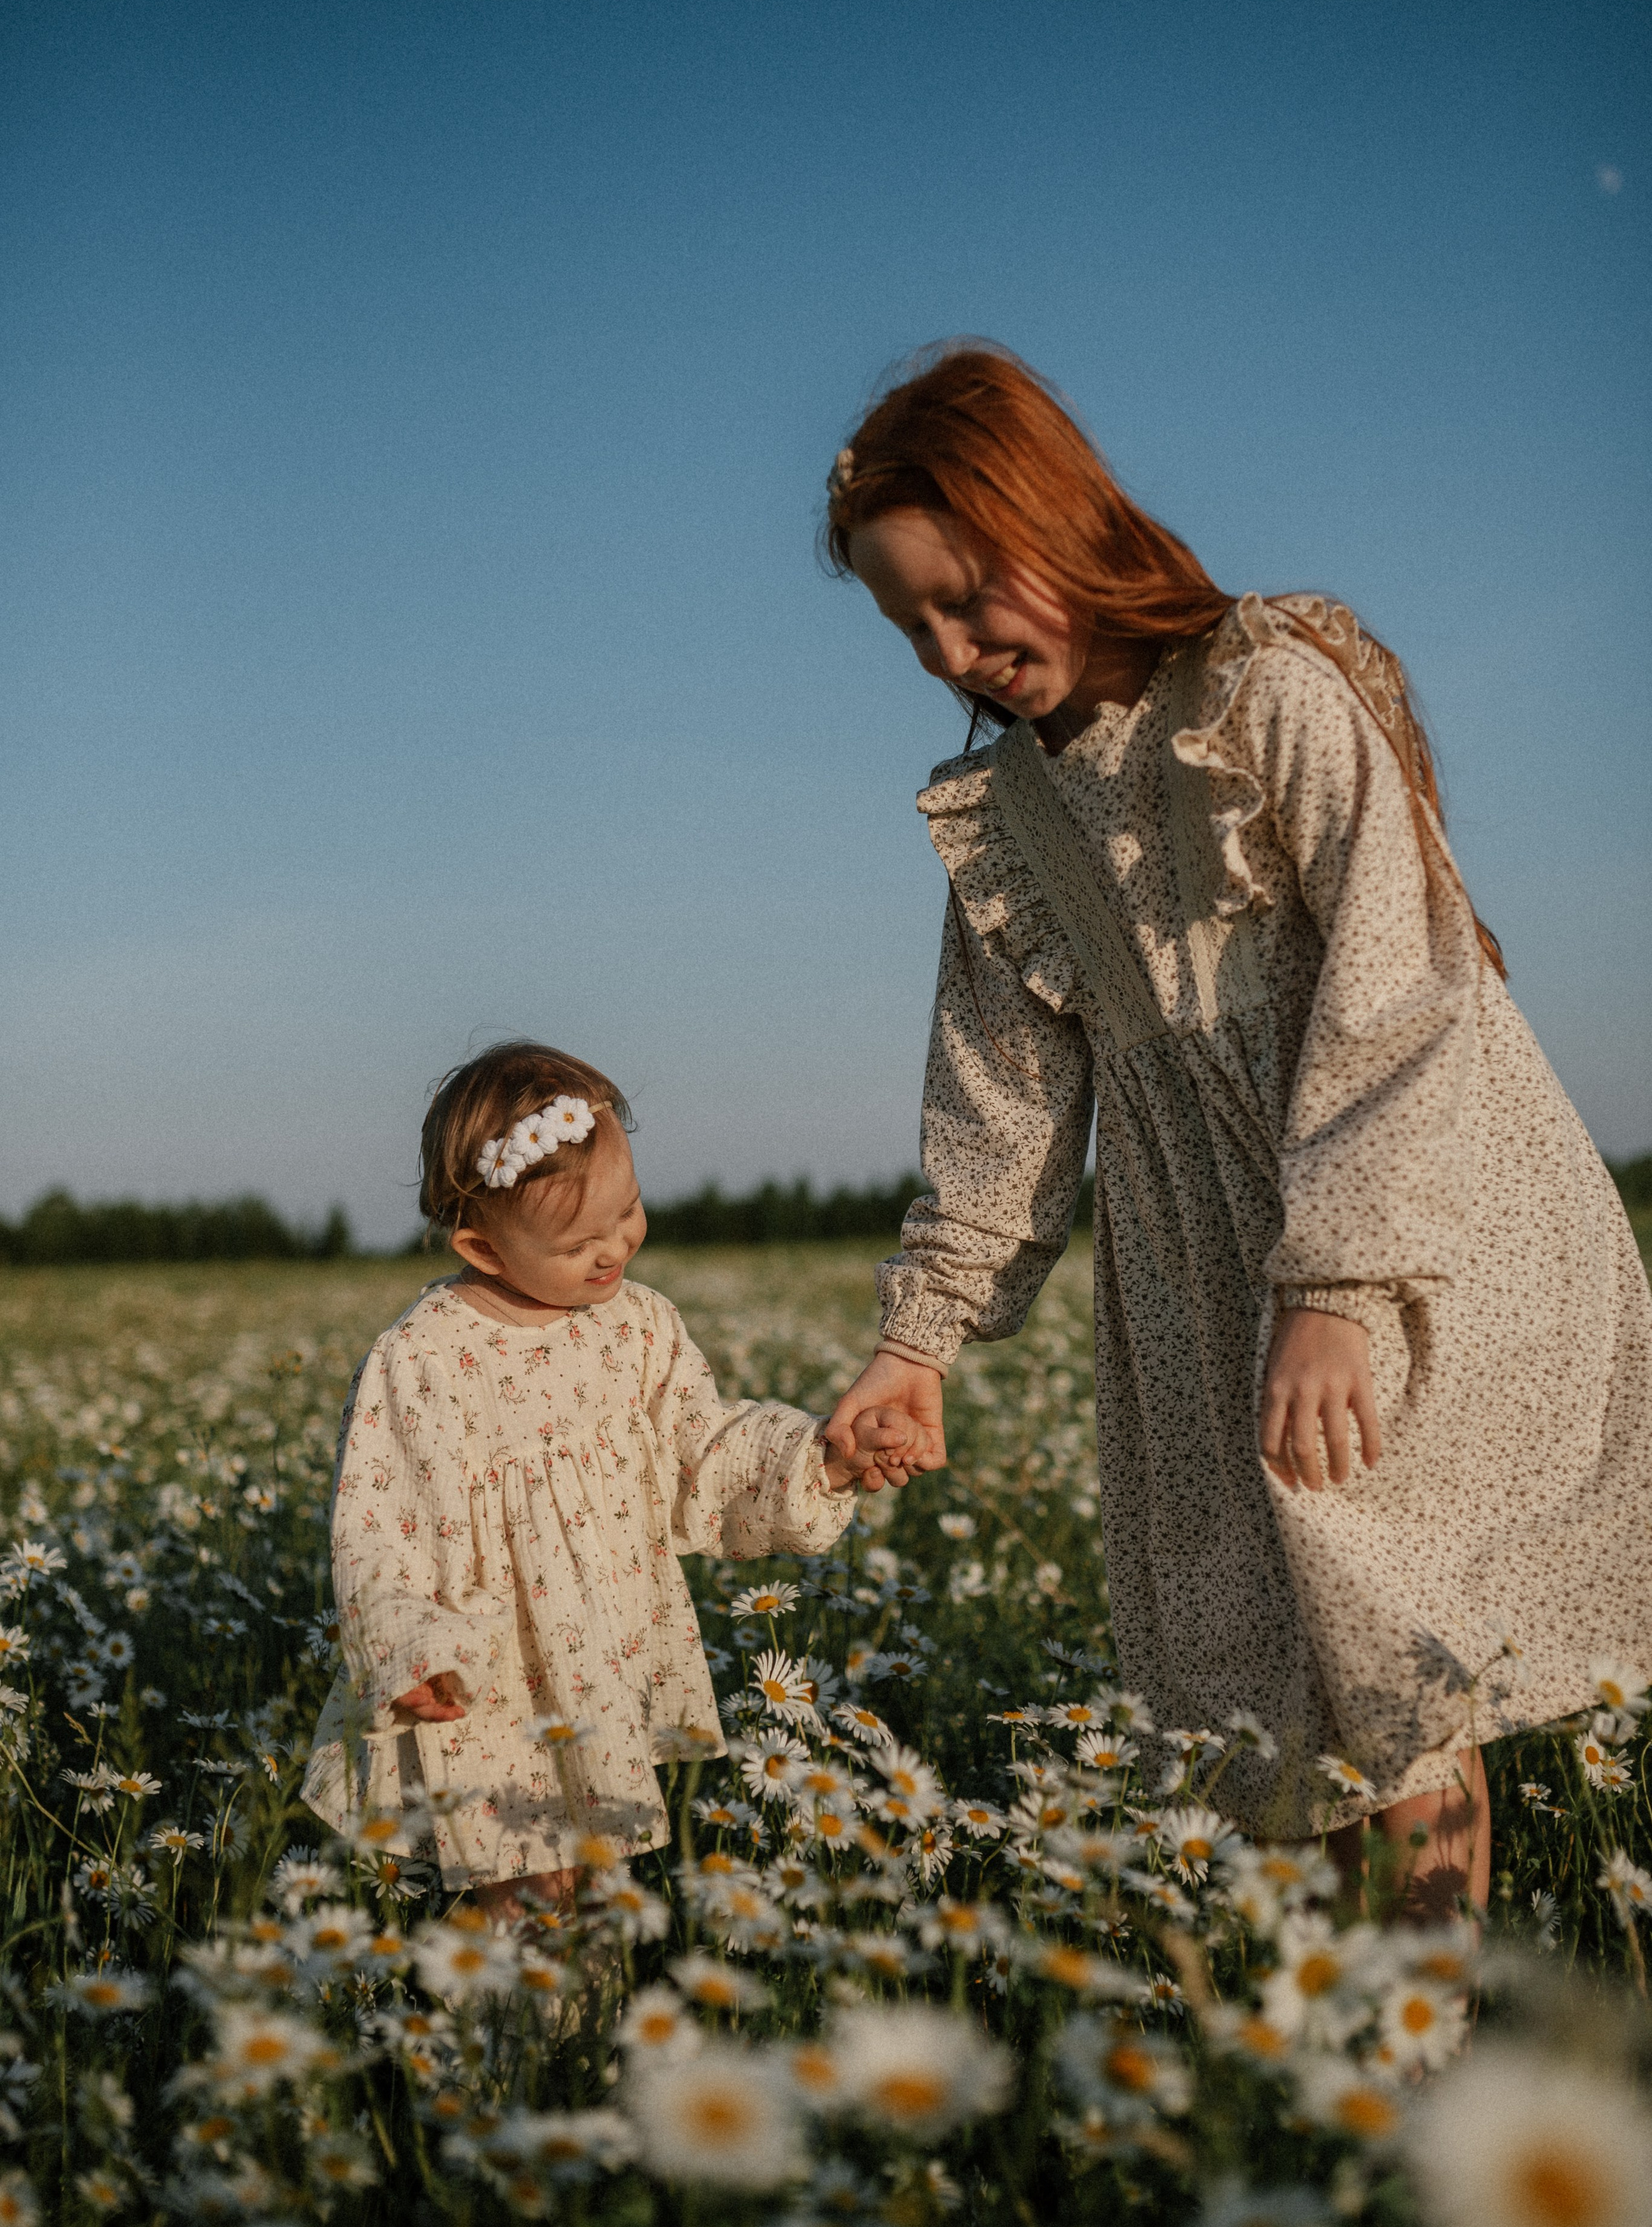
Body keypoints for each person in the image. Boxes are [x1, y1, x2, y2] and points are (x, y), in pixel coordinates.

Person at [820, 343, 1652, 1917]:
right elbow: (1001, 1095)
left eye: (969, 589)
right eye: (906, 623)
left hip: (1400, 1223)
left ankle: (1419, 2054)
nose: (951, 648)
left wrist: (1335, 1283)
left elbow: (1401, 995)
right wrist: (915, 1344)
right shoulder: (1005, 816)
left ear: (1058, 518)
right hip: (1199, 1270)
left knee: (1391, 1663)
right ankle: (1357, 2052)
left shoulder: (1263, 693)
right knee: (1296, 1692)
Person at [303, 1041, 911, 1919]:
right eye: (578, 1240)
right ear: (482, 1246)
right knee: (514, 1880)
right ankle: (497, 2044)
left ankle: (579, 2044)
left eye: (628, 1212)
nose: (615, 1247)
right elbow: (379, 1520)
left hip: (601, 1662)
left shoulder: (640, 1328)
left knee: (594, 1876)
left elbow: (705, 1448)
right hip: (487, 1679)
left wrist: (819, 1454)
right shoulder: (423, 1357)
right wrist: (409, 1651)